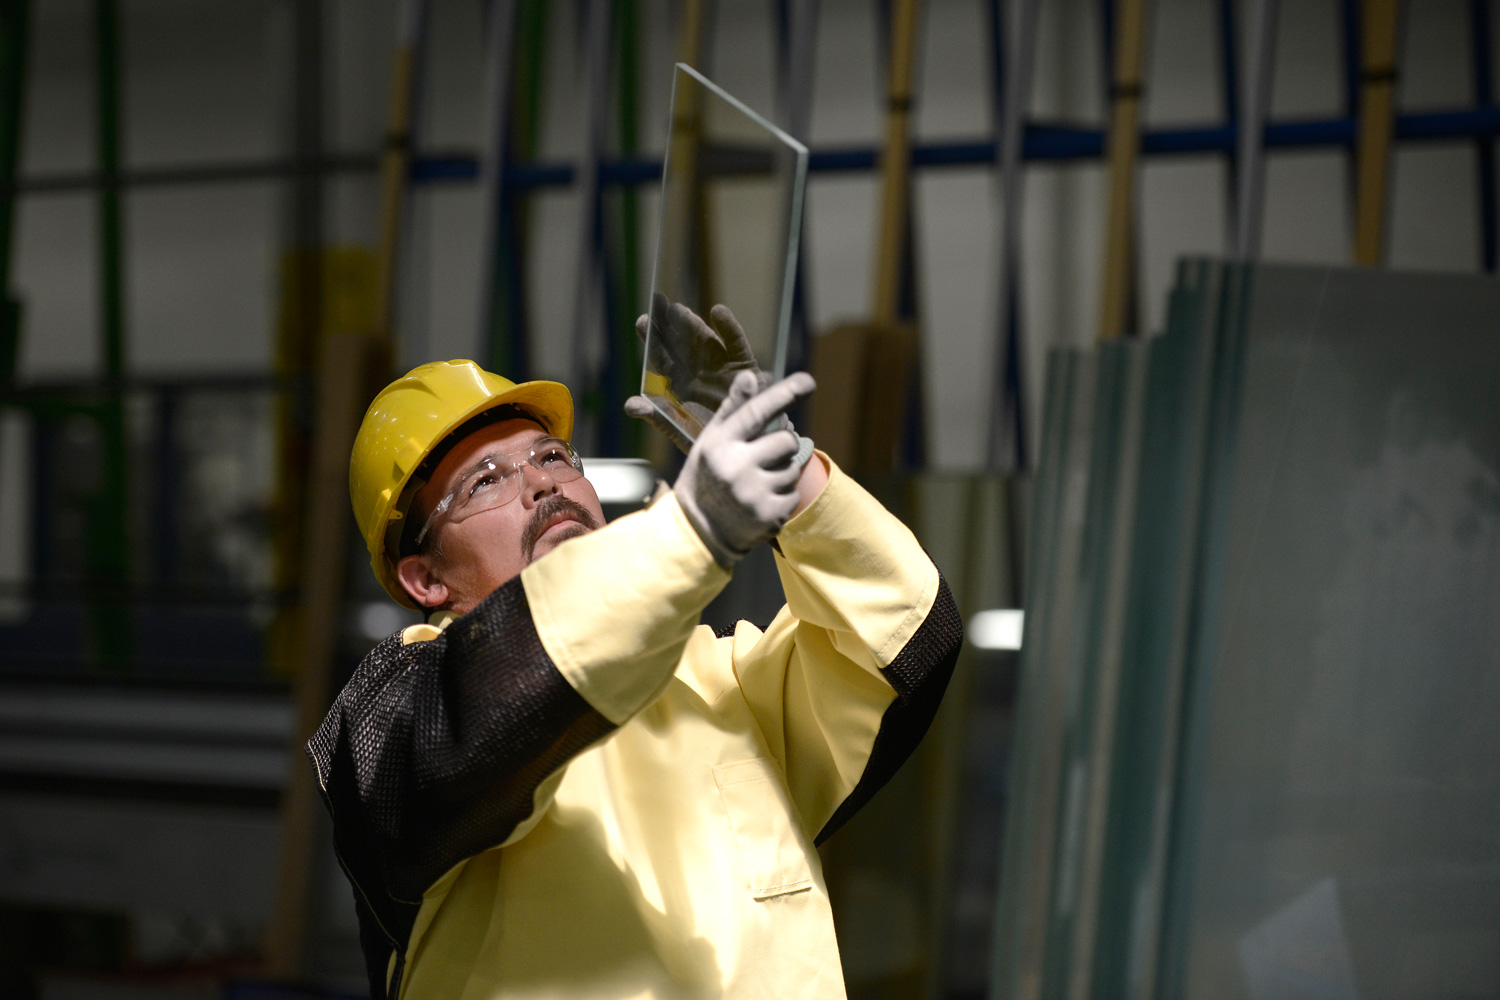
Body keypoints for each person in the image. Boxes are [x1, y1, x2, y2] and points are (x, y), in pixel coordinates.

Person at [310, 303, 962, 999]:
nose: (542, 482)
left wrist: (789, 470)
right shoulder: (396, 712)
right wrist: (691, 530)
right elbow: (493, 711)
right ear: (426, 577)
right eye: (486, 482)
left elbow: (904, 633)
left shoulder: (724, 683)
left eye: (552, 456)